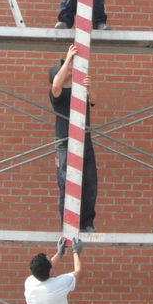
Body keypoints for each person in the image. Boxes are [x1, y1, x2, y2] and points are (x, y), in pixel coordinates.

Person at [49, 43, 97, 234]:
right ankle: (68, 224)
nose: (70, 69)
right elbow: (56, 85)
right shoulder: (58, 94)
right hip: (65, 143)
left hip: (84, 141)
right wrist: (68, 59)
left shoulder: (79, 91)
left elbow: (94, 100)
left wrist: (88, 88)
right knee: (66, 183)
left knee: (89, 182)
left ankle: (87, 223)